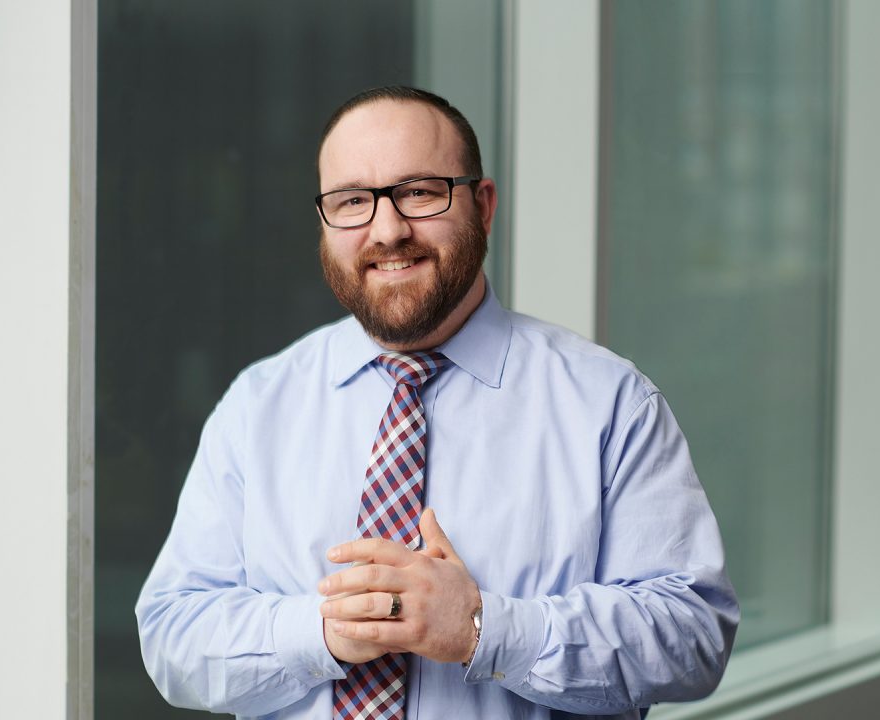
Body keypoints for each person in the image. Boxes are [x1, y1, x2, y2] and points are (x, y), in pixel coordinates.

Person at [136, 85, 738, 720]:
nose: (388, 231)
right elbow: (173, 633)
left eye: (420, 192)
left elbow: (694, 636)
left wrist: (484, 627)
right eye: (352, 202)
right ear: (324, 221)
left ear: (482, 204)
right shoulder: (257, 406)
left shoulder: (610, 404)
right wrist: (321, 633)